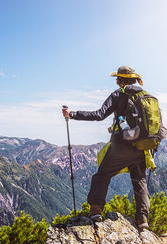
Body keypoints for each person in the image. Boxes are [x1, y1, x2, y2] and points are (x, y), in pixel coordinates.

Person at [62, 66, 150, 229]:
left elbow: (99, 114)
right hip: (143, 147)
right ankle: (143, 219)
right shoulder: (146, 96)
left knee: (102, 175)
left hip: (122, 145)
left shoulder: (118, 95)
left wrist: (72, 114)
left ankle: (96, 210)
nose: (116, 81)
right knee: (140, 181)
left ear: (122, 80)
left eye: (118, 79)